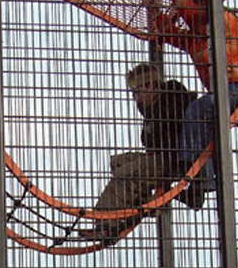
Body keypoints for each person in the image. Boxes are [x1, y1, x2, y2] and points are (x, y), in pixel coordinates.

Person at [153, 0, 238, 209]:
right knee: (205, 126)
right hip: (220, 92)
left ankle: (193, 170)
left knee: (197, 109)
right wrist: (155, 11)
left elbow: (195, 14)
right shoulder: (196, 39)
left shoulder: (226, 21)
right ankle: (200, 185)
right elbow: (170, 33)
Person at [78, 62, 197, 240]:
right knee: (117, 162)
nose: (136, 98)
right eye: (133, 93)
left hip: (174, 159)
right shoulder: (149, 109)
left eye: (138, 92)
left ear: (152, 86)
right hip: (160, 156)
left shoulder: (172, 98)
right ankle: (141, 204)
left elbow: (170, 130)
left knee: (125, 175)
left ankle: (106, 225)